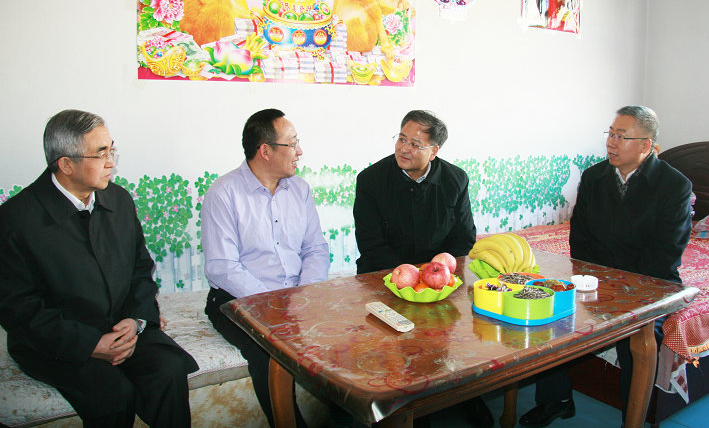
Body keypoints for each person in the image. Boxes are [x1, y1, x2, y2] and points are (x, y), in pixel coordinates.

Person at [0, 109, 198, 428]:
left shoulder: (118, 200)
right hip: (57, 339)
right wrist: (90, 344)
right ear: (66, 164)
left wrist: (135, 320)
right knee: (112, 395)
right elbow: (17, 308)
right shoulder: (16, 219)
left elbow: (140, 269)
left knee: (167, 370)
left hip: (120, 326)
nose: (111, 163)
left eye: (111, 150)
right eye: (101, 153)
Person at [520, 105, 693, 427]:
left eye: (621, 136)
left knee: (637, 340)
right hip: (594, 275)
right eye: (610, 134)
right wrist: (592, 279)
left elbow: (666, 252)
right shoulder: (595, 176)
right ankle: (556, 400)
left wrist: (619, 291)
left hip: (649, 283)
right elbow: (580, 236)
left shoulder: (674, 186)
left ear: (646, 145)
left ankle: (633, 418)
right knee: (552, 316)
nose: (611, 143)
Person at [354, 110, 492, 427]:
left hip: (439, 280)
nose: (404, 148)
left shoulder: (455, 179)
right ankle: (411, 409)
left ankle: (467, 396)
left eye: (415, 144)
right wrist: (410, 280)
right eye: (401, 139)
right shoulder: (371, 180)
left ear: (434, 151)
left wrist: (439, 269)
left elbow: (464, 237)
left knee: (460, 334)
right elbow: (371, 244)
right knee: (396, 351)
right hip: (385, 278)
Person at [202, 108, 330, 427]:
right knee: (269, 353)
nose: (300, 151)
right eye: (293, 143)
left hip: (295, 296)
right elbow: (222, 267)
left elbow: (315, 248)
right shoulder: (223, 193)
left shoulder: (299, 189)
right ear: (265, 151)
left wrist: (305, 295)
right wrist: (275, 304)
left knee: (339, 336)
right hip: (238, 300)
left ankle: (344, 418)